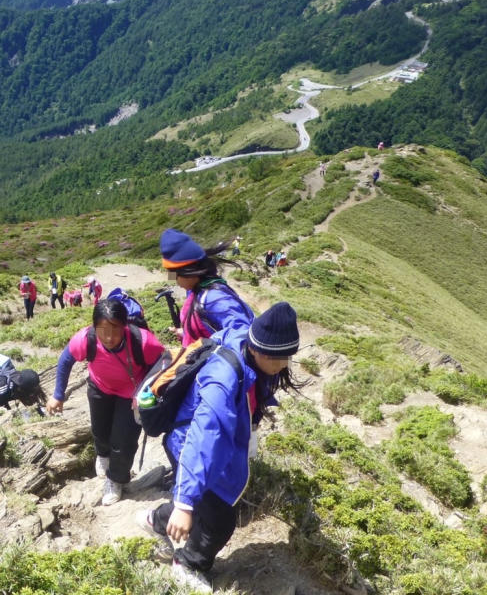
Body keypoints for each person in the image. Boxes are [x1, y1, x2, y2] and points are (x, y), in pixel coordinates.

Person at [137, 302, 303, 592]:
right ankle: (188, 562)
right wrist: (185, 502)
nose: (284, 365)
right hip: (188, 444)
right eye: (281, 359)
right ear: (259, 351)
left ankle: (156, 520)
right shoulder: (222, 382)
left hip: (211, 444)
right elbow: (203, 438)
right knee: (220, 521)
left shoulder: (245, 338)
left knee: (207, 506)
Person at [46, 298, 169, 506]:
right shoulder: (86, 339)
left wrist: (146, 392)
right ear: (94, 327)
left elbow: (164, 362)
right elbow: (66, 359)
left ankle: (116, 479)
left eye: (115, 330)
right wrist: (58, 394)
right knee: (100, 430)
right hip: (99, 387)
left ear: (125, 326)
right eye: (103, 330)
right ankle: (102, 455)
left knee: (124, 441)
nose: (109, 337)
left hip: (131, 395)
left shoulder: (143, 341)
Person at [160, 229, 254, 354]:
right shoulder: (196, 291)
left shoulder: (215, 299)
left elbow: (242, 341)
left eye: (174, 275)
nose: (175, 281)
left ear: (190, 272)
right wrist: (187, 332)